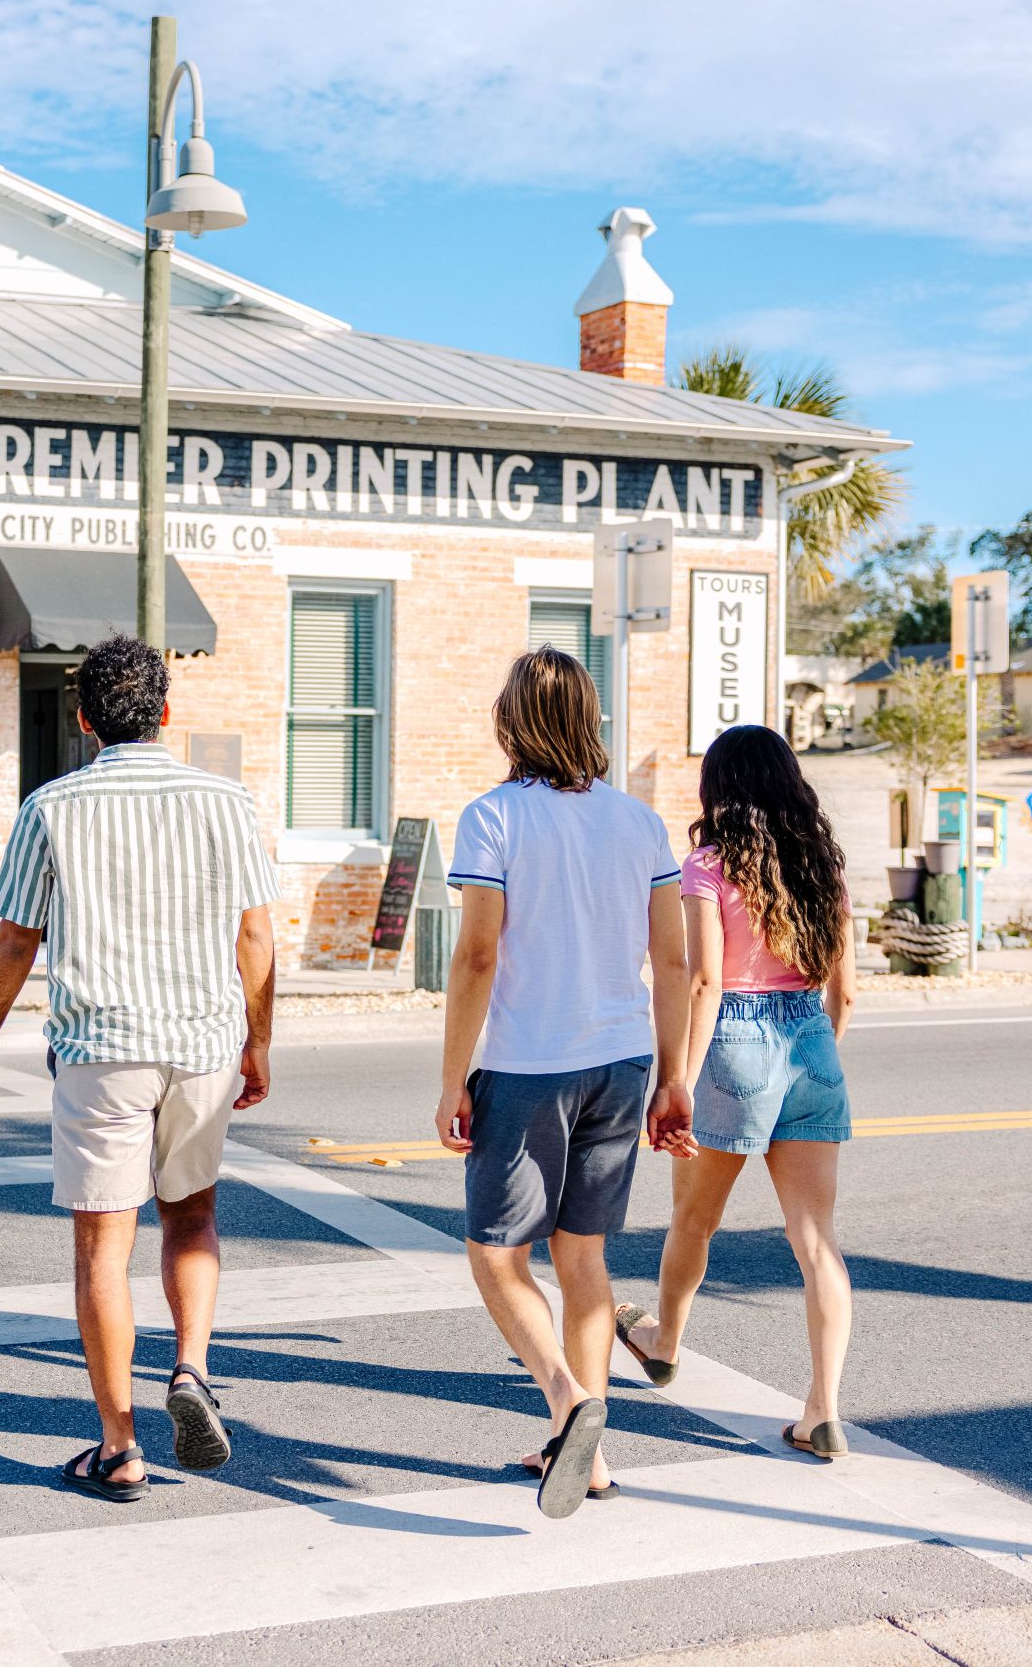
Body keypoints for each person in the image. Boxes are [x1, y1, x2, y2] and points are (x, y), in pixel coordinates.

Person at [0, 634, 278, 1502]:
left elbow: (18, 934)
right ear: (167, 712)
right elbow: (254, 936)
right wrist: (258, 1040)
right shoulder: (226, 803)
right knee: (193, 1215)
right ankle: (192, 1370)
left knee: (104, 1248)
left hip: (101, 1050)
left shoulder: (52, 806)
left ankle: (119, 1446)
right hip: (203, 1043)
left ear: (84, 718)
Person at [436, 646, 694, 1519]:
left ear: (512, 721)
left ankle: (567, 1401)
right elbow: (673, 959)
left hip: (528, 1062)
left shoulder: (493, 819)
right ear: (589, 720)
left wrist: (450, 1081)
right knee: (582, 1255)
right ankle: (587, 1456)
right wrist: (671, 1076)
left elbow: (476, 954)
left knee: (495, 1254)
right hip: (622, 1060)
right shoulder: (639, 821)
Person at [614, 723, 857, 1460]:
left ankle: (663, 1341)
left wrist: (677, 1078)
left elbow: (704, 980)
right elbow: (844, 993)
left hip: (736, 1042)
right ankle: (823, 1410)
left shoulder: (710, 865)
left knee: (693, 1222)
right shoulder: (824, 866)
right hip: (810, 1040)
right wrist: (811, 1057)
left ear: (719, 790)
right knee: (816, 1243)